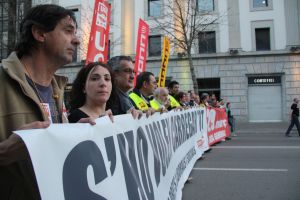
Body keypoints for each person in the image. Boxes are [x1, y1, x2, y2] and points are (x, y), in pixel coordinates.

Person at [0, 4, 80, 199]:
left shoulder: (57, 88)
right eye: (68, 31)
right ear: (39, 33)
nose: (77, 40)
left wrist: (78, 132)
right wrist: (4, 154)